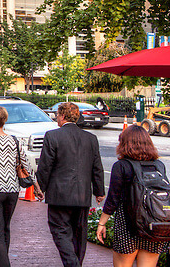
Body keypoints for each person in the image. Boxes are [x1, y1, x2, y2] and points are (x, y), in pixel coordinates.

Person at [36, 102, 105, 267]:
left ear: (62, 116)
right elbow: (97, 167)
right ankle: (76, 263)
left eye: (57, 115)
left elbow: (45, 166)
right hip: (82, 195)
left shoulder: (52, 136)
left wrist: (40, 188)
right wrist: (99, 190)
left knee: (60, 231)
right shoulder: (91, 139)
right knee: (79, 234)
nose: (56, 119)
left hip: (59, 195)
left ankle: (72, 264)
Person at [0, 105, 43, 267]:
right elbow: (25, 164)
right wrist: (37, 187)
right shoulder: (14, 140)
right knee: (5, 227)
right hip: (12, 189)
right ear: (4, 120)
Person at [96, 126, 169, 267]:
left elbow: (113, 199)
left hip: (127, 225)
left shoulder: (121, 166)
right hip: (153, 224)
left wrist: (102, 223)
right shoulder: (159, 165)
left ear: (124, 143)